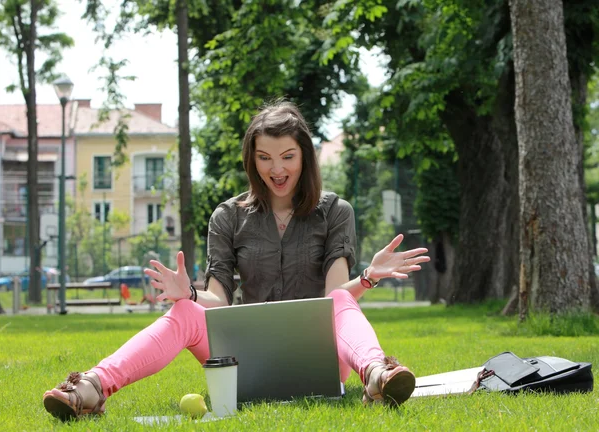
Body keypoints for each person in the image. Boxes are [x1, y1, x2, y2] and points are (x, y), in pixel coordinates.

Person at [42, 101, 430, 421]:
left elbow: (334, 299)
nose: (276, 169)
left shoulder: (334, 211)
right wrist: (190, 294)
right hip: (243, 365)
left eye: (287, 157)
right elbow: (217, 302)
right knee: (183, 312)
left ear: (305, 156)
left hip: (318, 360)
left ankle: (377, 374)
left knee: (344, 300)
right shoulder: (227, 216)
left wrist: (367, 277)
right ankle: (91, 388)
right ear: (252, 159)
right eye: (264, 158)